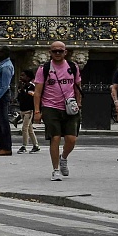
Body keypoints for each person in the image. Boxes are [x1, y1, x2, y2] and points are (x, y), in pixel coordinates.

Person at [30, 40, 83, 180]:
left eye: (60, 51)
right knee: (55, 137)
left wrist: (78, 103)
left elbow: (77, 87)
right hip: (50, 107)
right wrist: (37, 111)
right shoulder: (44, 69)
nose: (58, 53)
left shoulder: (73, 67)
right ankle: (55, 170)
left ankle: (63, 157)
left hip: (70, 107)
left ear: (65, 52)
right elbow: (38, 92)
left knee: (71, 139)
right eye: (55, 51)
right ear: (50, 52)